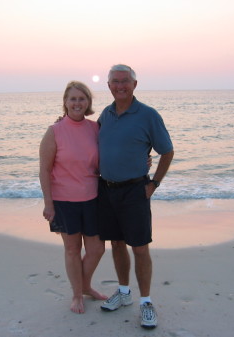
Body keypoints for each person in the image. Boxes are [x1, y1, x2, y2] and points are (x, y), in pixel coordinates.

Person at [97, 64, 174, 329]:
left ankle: (146, 302)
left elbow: (167, 151)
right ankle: (124, 292)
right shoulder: (104, 116)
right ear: (108, 86)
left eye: (125, 81)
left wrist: (154, 183)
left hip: (135, 190)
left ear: (134, 84)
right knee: (117, 244)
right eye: (115, 82)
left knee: (139, 248)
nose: (120, 86)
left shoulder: (148, 115)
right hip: (106, 190)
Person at [39, 81, 107, 314]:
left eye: (82, 98)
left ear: (88, 103)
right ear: (65, 102)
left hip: (93, 198)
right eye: (73, 99)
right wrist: (48, 204)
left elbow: (111, 155)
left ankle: (85, 285)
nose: (77, 103)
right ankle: (77, 294)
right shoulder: (54, 131)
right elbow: (44, 170)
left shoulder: (95, 128)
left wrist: (143, 160)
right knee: (72, 250)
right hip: (64, 200)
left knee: (97, 249)